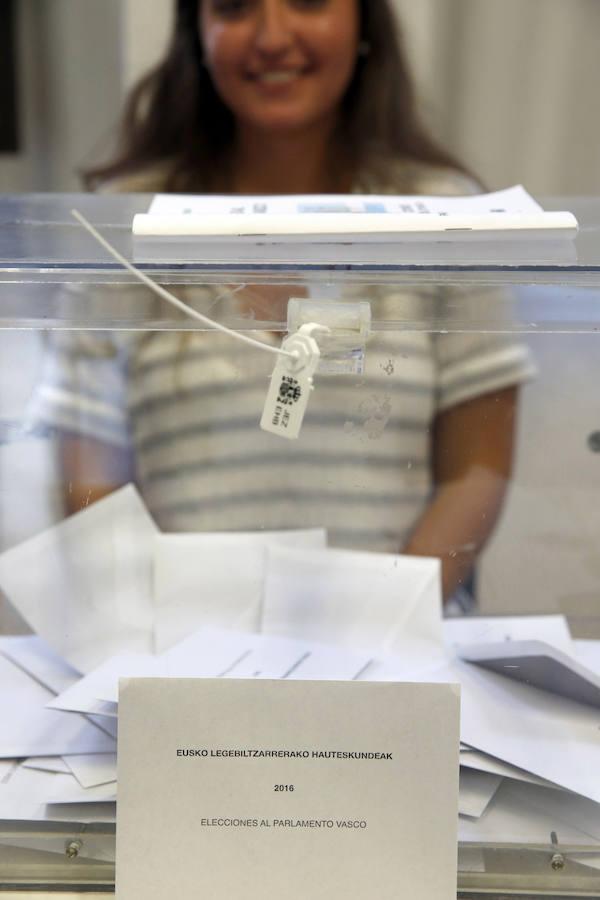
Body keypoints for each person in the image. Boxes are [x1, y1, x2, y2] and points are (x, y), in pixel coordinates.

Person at [32, 0, 534, 605]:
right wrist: (163, 634)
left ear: (364, 24)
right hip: (182, 658)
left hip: (401, 662)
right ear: (199, 31)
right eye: (236, 7)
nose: (273, 36)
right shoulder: (127, 222)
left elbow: (474, 472)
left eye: (308, 1)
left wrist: (388, 626)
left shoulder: (444, 213)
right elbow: (89, 477)